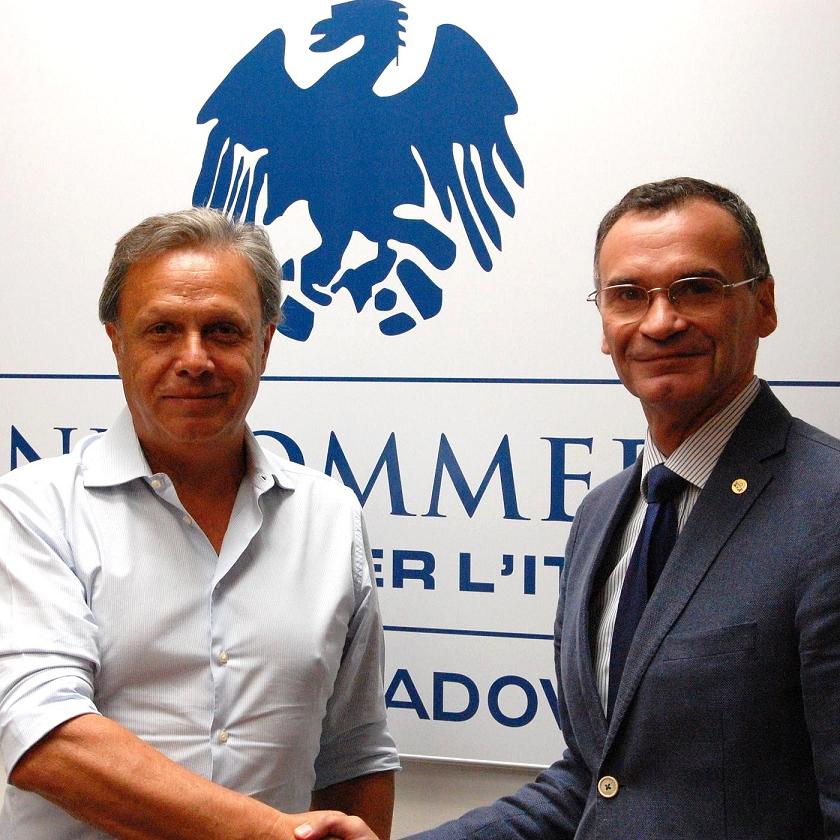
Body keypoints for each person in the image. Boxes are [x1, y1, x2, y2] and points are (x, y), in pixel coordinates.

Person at [298, 177, 840, 840]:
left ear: (764, 305)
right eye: (629, 295)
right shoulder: (602, 516)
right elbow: (595, 782)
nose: (660, 322)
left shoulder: (827, 509)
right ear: (605, 324)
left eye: (695, 289)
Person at [0, 208, 399, 839]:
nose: (194, 359)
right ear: (117, 342)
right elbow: (44, 738)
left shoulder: (330, 516)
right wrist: (266, 834)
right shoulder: (32, 510)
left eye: (223, 331)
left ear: (265, 343)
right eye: (162, 329)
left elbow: (354, 750)